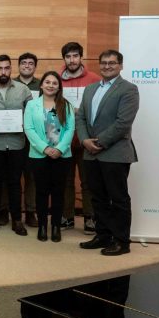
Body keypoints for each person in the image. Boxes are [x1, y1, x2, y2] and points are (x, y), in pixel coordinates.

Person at [77, 50, 139, 256]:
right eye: (103, 63)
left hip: (115, 153)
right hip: (91, 154)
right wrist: (85, 140)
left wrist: (100, 143)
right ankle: (103, 235)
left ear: (120, 65)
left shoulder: (129, 89)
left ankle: (122, 241)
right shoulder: (90, 89)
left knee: (118, 198)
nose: (107, 66)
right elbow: (80, 118)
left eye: (112, 63)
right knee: (98, 198)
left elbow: (123, 123)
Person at [0, 55, 32, 236]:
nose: (3, 72)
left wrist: (25, 124)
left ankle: (17, 220)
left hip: (17, 142)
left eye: (6, 68)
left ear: (11, 69)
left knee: (14, 182)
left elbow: (31, 113)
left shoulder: (23, 89)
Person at [23, 71, 74, 242]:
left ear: (59, 87)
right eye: (47, 82)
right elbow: (28, 129)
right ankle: (43, 226)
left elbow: (69, 130)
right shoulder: (32, 105)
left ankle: (56, 227)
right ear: (41, 85)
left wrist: (59, 149)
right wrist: (45, 148)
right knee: (42, 192)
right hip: (39, 155)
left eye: (54, 83)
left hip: (62, 155)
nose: (51, 85)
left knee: (59, 192)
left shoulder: (65, 105)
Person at [59, 42, 101, 233]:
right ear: (64, 59)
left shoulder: (94, 79)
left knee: (88, 182)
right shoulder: (57, 79)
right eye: (68, 56)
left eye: (75, 56)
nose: (72, 60)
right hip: (63, 140)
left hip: (86, 139)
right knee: (65, 181)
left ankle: (90, 218)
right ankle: (66, 217)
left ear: (81, 57)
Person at [15, 52, 41, 228]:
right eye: (23, 63)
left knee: (32, 177)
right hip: (13, 136)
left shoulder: (42, 85)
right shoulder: (11, 84)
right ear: (18, 66)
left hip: (35, 138)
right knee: (11, 176)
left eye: (30, 63)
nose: (26, 66)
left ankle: (31, 211)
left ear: (35, 66)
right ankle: (7, 210)